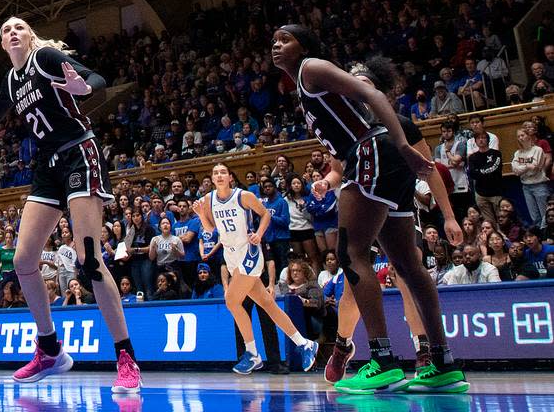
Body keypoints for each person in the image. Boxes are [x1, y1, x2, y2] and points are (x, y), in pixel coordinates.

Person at [0, 17, 141, 393]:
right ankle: (49, 348)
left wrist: (81, 87)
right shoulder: (10, 81)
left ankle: (126, 356)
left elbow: (96, 81)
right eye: (5, 31)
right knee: (22, 260)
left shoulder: (46, 58)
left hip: (79, 153)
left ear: (31, 36)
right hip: (47, 165)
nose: (12, 32)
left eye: (19, 27)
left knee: (90, 259)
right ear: (3, 46)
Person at [271, 27, 467, 394]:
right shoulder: (307, 83)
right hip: (380, 158)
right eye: (274, 41)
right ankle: (443, 362)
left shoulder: (311, 67)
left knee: (351, 253)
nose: (277, 46)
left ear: (305, 46)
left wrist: (402, 145)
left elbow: (371, 92)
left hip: (373, 152)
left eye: (285, 39)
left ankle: (382, 360)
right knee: (407, 263)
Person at [193, 162, 318, 375]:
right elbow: (211, 230)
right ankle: (304, 344)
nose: (220, 175)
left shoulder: (243, 196)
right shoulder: (208, 199)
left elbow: (266, 214)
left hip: (249, 253)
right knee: (269, 305)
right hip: (230, 255)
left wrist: (259, 234)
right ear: (212, 179)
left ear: (230, 177)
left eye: (223, 172)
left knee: (231, 300)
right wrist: (200, 214)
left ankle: (252, 353)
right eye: (216, 173)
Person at [511, 128, 550, 227]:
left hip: (539, 185)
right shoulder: (518, 153)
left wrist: (522, 169)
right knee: (534, 216)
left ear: (528, 136)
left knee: (545, 214)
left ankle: (547, 235)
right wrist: (527, 166)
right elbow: (515, 170)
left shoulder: (537, 150)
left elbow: (534, 170)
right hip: (526, 186)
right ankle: (539, 236)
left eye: (522, 135)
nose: (520, 138)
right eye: (518, 136)